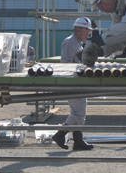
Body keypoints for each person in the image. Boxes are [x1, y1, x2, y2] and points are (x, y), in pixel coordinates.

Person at [52, 17, 94, 151]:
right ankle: (60, 134)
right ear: (78, 30)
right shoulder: (70, 43)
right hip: (72, 84)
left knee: (80, 111)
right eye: (86, 30)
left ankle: (78, 141)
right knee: (78, 113)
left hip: (77, 83)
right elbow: (65, 66)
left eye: (89, 30)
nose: (88, 33)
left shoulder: (77, 43)